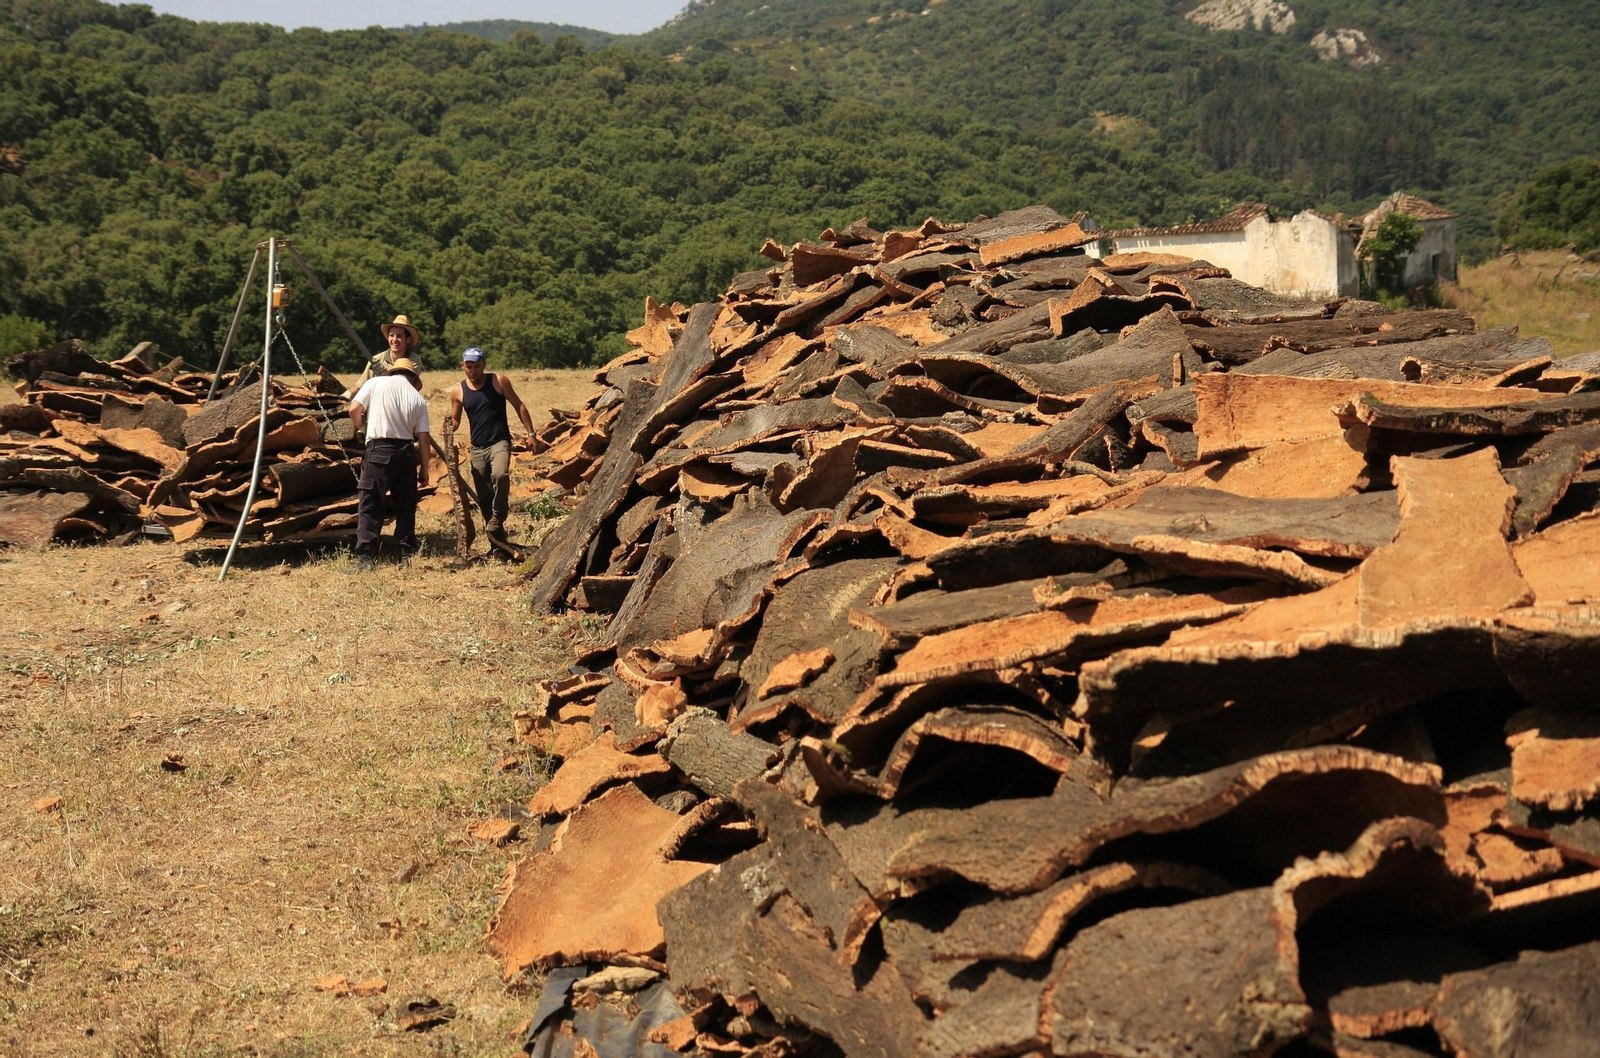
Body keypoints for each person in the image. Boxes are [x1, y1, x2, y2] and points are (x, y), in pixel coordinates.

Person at [348, 356, 431, 563]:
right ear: (412, 378)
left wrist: (363, 428)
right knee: (405, 504)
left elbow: (353, 409)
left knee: (371, 502)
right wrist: (425, 470)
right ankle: (405, 553)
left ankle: (366, 556)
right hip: (406, 453)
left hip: (379, 450)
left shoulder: (375, 383)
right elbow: (423, 438)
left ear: (392, 371)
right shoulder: (417, 398)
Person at [447, 346, 535, 537]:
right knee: (484, 495)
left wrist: (531, 434)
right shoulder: (458, 391)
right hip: (477, 447)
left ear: (484, 365)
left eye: (477, 366)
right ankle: (496, 540)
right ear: (462, 366)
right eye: (468, 367)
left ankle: (499, 514)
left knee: (500, 474)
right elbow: (456, 420)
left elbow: (518, 405)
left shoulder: (498, 381)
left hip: (499, 442)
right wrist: (448, 427)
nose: (473, 371)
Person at [342, 314, 421, 398]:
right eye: (391, 335)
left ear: (408, 340)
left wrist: (384, 374)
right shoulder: (376, 360)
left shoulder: (413, 360)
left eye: (399, 336)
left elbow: (404, 386)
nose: (394, 340)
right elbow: (360, 386)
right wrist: (345, 396)